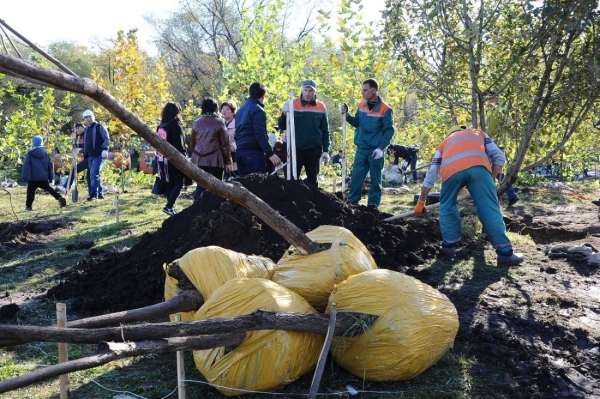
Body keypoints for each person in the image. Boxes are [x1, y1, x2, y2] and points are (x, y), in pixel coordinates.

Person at [414, 125, 525, 266]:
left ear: (449, 134)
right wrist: (490, 180)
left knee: (447, 206)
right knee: (490, 209)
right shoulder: (478, 133)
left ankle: (448, 247)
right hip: (480, 170)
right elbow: (498, 156)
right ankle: (505, 254)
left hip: (451, 173)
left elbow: (431, 175)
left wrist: (421, 201)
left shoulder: (443, 144)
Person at [341, 78, 394, 208]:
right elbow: (357, 123)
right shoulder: (362, 105)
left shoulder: (385, 109)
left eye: (365, 90)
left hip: (375, 150)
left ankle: (373, 207)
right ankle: (353, 203)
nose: (362, 93)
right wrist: (347, 115)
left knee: (375, 180)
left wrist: (381, 148)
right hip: (361, 148)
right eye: (362, 90)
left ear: (374, 90)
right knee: (356, 178)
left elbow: (389, 131)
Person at [278, 79, 331, 186]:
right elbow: (282, 126)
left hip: (313, 149)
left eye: (310, 91)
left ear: (315, 92)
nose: (307, 93)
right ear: (302, 90)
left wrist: (326, 150)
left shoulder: (321, 107)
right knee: (291, 180)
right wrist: (284, 114)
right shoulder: (292, 104)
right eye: (305, 90)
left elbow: (325, 130)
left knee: (312, 180)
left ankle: (312, 201)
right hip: (295, 148)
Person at [234, 82, 281, 176]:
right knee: (257, 187)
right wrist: (270, 153)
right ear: (264, 96)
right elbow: (259, 133)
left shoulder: (240, 111)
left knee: (243, 187)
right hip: (253, 153)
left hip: (240, 152)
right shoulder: (258, 110)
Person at [191, 97, 233, 200]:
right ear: (216, 108)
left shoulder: (196, 122)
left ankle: (197, 208)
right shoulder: (220, 123)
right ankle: (215, 212)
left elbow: (192, 143)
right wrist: (228, 161)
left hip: (199, 159)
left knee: (200, 186)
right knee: (217, 187)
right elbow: (225, 145)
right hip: (215, 160)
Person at [157, 102, 187, 215]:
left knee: (169, 182)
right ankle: (169, 205)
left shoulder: (161, 125)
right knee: (179, 181)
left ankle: (170, 206)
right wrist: (184, 157)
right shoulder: (175, 125)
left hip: (161, 159)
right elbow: (179, 144)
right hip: (173, 159)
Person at [22, 136, 67, 211]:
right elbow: (49, 166)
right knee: (49, 189)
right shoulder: (45, 153)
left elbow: (26, 165)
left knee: (30, 192)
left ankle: (28, 206)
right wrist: (51, 178)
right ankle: (59, 198)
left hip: (33, 177)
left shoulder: (30, 153)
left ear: (33, 143)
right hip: (43, 177)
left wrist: (24, 177)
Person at [82, 110, 109, 200]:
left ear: (93, 116)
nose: (88, 119)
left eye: (90, 116)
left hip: (99, 155)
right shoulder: (86, 129)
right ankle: (100, 194)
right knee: (94, 175)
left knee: (94, 174)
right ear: (84, 119)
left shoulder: (99, 127)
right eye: (86, 117)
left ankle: (93, 195)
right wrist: (81, 149)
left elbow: (106, 138)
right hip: (90, 155)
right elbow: (87, 143)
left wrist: (105, 149)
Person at [58, 123, 90, 193]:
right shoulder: (83, 135)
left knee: (74, 170)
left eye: (77, 130)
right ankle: (93, 194)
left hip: (90, 158)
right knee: (89, 177)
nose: (77, 132)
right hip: (89, 158)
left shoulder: (87, 134)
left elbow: (88, 145)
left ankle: (66, 187)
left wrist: (79, 149)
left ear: (80, 128)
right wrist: (78, 146)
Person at [220, 100, 237, 179]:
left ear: (233, 112)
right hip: (224, 156)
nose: (224, 111)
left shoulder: (237, 124)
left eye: (227, 109)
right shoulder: (220, 124)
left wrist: (232, 147)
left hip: (235, 155)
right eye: (223, 109)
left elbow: (240, 138)